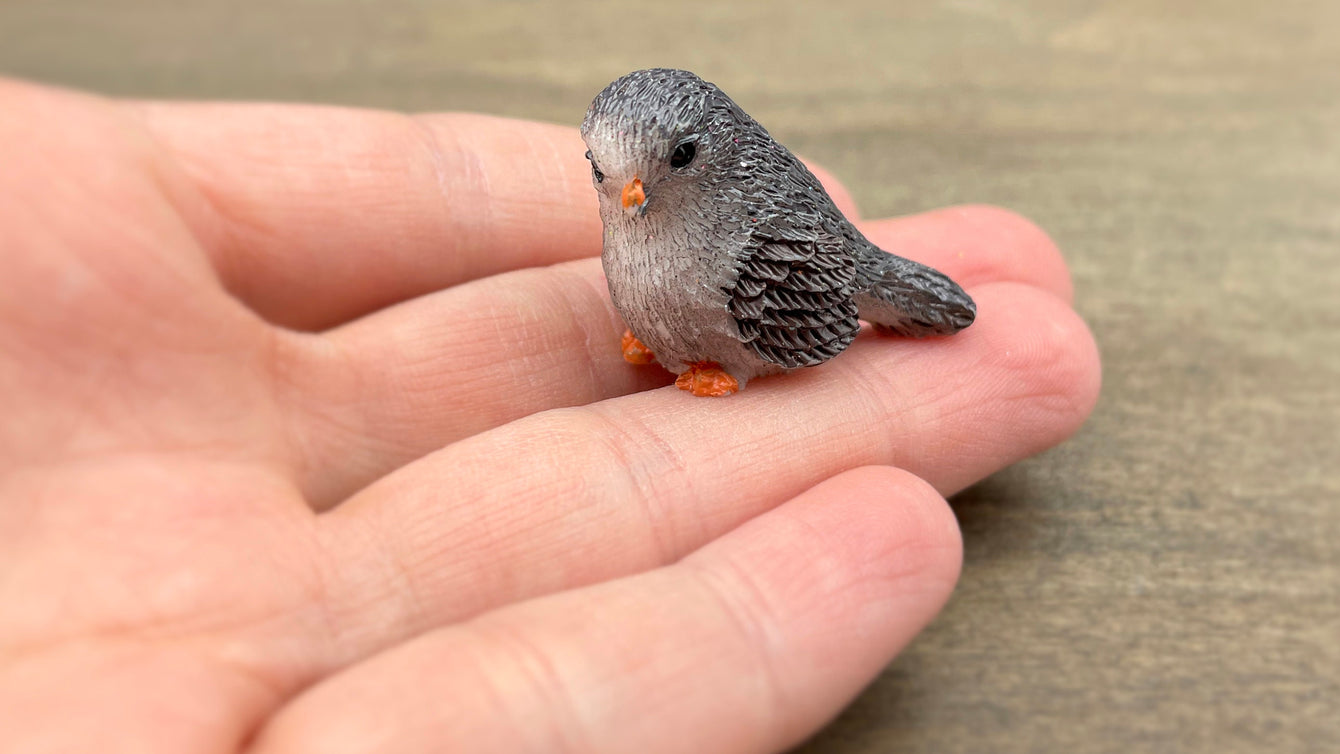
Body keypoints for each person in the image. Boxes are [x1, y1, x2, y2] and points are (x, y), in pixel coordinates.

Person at [0, 78, 1099, 753]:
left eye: (652, 171)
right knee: (655, 291)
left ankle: (715, 355)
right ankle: (679, 343)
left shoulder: (757, 234)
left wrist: (736, 358)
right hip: (690, 301)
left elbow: (812, 315)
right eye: (604, 175)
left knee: (744, 306)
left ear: (698, 152)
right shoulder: (638, 204)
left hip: (773, 309)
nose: (625, 196)